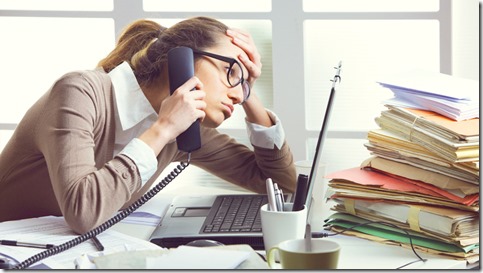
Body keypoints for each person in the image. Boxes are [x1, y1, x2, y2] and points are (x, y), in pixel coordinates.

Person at [0, 17, 296, 234]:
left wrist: (250, 97)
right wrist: (163, 130)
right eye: (230, 72)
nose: (236, 91)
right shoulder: (79, 92)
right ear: (181, 59)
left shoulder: (187, 126)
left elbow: (280, 186)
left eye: (243, 83)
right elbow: (83, 212)